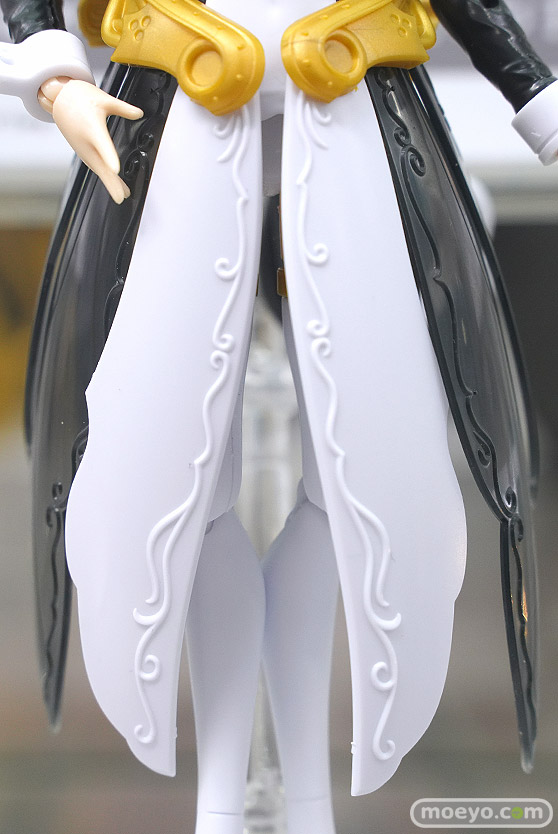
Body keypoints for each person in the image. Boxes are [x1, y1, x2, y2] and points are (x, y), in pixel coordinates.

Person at [1, 2, 557, 833]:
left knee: (356, 486)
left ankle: (308, 794)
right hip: (179, 122)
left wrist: (540, 99)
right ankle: (220, 797)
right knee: (180, 489)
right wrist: (58, 78)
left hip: (351, 119)